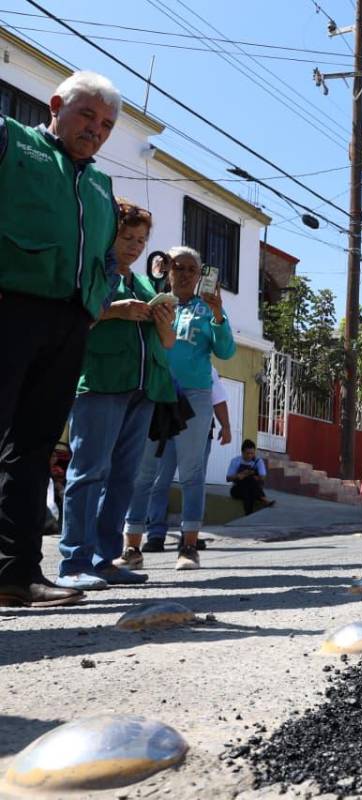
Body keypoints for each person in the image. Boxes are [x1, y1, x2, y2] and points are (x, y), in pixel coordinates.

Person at [0, 71, 123, 608]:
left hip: (69, 323)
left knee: (31, 451)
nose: (96, 130)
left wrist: (95, 304)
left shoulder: (101, 185)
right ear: (56, 106)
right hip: (10, 306)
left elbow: (107, 259)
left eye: (107, 125)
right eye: (87, 115)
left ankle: (16, 574)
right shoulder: (12, 141)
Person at [56, 200, 176, 590]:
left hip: (143, 389)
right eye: (127, 238)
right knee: (88, 473)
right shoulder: (92, 274)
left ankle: (104, 559)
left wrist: (163, 321)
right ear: (109, 235)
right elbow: (74, 320)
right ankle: (74, 562)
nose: (135, 246)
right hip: (100, 383)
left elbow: (168, 343)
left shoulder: (145, 284)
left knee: (124, 478)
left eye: (141, 240)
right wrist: (115, 310)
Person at [123, 246, 235, 570]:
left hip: (195, 395)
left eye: (191, 269)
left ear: (200, 275)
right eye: (178, 267)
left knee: (191, 472)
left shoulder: (208, 309)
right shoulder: (156, 302)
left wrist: (218, 315)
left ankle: (188, 547)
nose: (184, 274)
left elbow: (226, 351)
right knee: (143, 471)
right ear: (168, 270)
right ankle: (132, 547)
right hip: (154, 392)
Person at [227, 439, 273, 515]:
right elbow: (228, 478)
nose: (250, 456)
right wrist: (238, 476)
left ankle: (248, 514)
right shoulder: (236, 461)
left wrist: (254, 476)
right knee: (247, 485)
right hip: (237, 489)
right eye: (247, 453)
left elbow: (263, 477)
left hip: (253, 489)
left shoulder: (258, 461)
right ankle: (263, 499)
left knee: (249, 486)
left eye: (252, 453)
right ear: (242, 452)